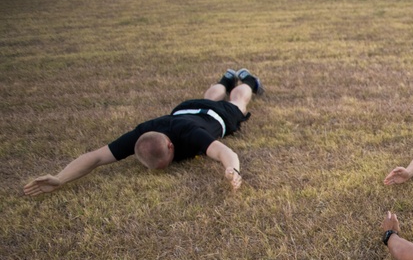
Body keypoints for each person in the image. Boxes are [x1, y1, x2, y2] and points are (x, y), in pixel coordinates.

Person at [23, 68, 264, 196]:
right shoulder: (142, 133)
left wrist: (232, 171)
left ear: (171, 146)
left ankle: (246, 79)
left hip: (215, 115)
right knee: (207, 98)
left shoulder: (192, 135)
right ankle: (226, 76)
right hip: (185, 109)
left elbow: (225, 152)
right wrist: (59, 178)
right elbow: (95, 157)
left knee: (238, 104)